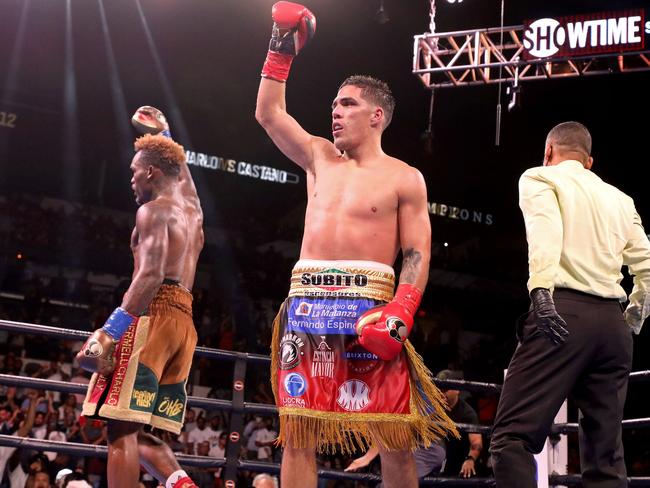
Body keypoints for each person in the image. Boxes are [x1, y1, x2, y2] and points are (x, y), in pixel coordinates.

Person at [255, 3, 457, 487]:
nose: (335, 111)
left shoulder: (405, 177)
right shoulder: (319, 157)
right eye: (334, 104)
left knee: (395, 435)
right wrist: (281, 44)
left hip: (371, 307)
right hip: (308, 304)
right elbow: (268, 113)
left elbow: (416, 252)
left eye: (347, 104)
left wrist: (403, 308)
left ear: (377, 115)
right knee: (298, 433)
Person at [490, 121, 650, 488]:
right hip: (612, 327)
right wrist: (633, 318)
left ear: (548, 152)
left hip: (562, 313)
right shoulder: (621, 199)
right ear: (589, 161)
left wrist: (541, 291)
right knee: (606, 459)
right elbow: (647, 266)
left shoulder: (540, 178)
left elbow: (545, 232)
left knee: (511, 438)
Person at [77, 106, 204, 488]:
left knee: (119, 431)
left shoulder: (153, 211)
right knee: (140, 427)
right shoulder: (193, 215)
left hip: (152, 316)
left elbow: (150, 275)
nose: (131, 179)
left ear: (150, 172)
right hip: (184, 324)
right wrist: (164, 134)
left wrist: (109, 332)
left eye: (134, 171)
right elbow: (185, 180)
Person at [345, 369, 483, 481]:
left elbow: (476, 442)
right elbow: (394, 428)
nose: (441, 393)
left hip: (448, 457)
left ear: (457, 390)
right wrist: (368, 457)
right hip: (420, 449)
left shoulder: (467, 413)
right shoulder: (427, 403)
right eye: (439, 388)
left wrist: (470, 459)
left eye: (446, 389)